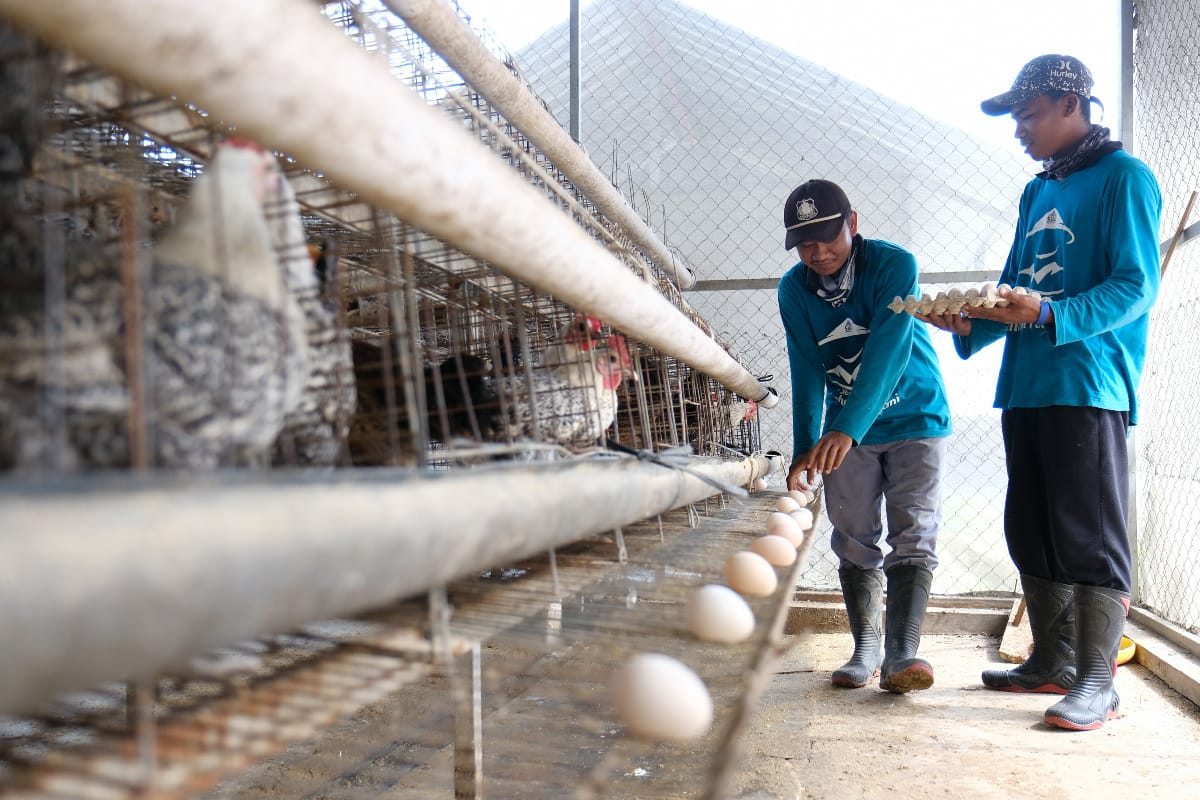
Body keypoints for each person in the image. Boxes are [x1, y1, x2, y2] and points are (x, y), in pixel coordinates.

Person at [918, 54, 1162, 731]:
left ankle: (1096, 680)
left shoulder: (1125, 179)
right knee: (1030, 525)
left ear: (1067, 103)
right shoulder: (1040, 190)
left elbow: (1135, 285)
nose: (1020, 129)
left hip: (1088, 381)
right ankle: (1052, 660)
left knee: (1088, 532)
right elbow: (1012, 290)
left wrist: (1053, 315)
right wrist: (968, 322)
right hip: (1026, 383)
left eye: (1028, 114)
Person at [778, 179, 952, 694]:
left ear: (852, 223)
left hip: (915, 416)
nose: (818, 252)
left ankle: (902, 653)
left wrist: (845, 430)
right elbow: (806, 368)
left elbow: (889, 352)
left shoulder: (895, 266)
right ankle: (866, 647)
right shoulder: (794, 289)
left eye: (828, 238)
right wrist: (805, 447)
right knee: (852, 534)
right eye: (805, 244)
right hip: (844, 433)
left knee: (913, 532)